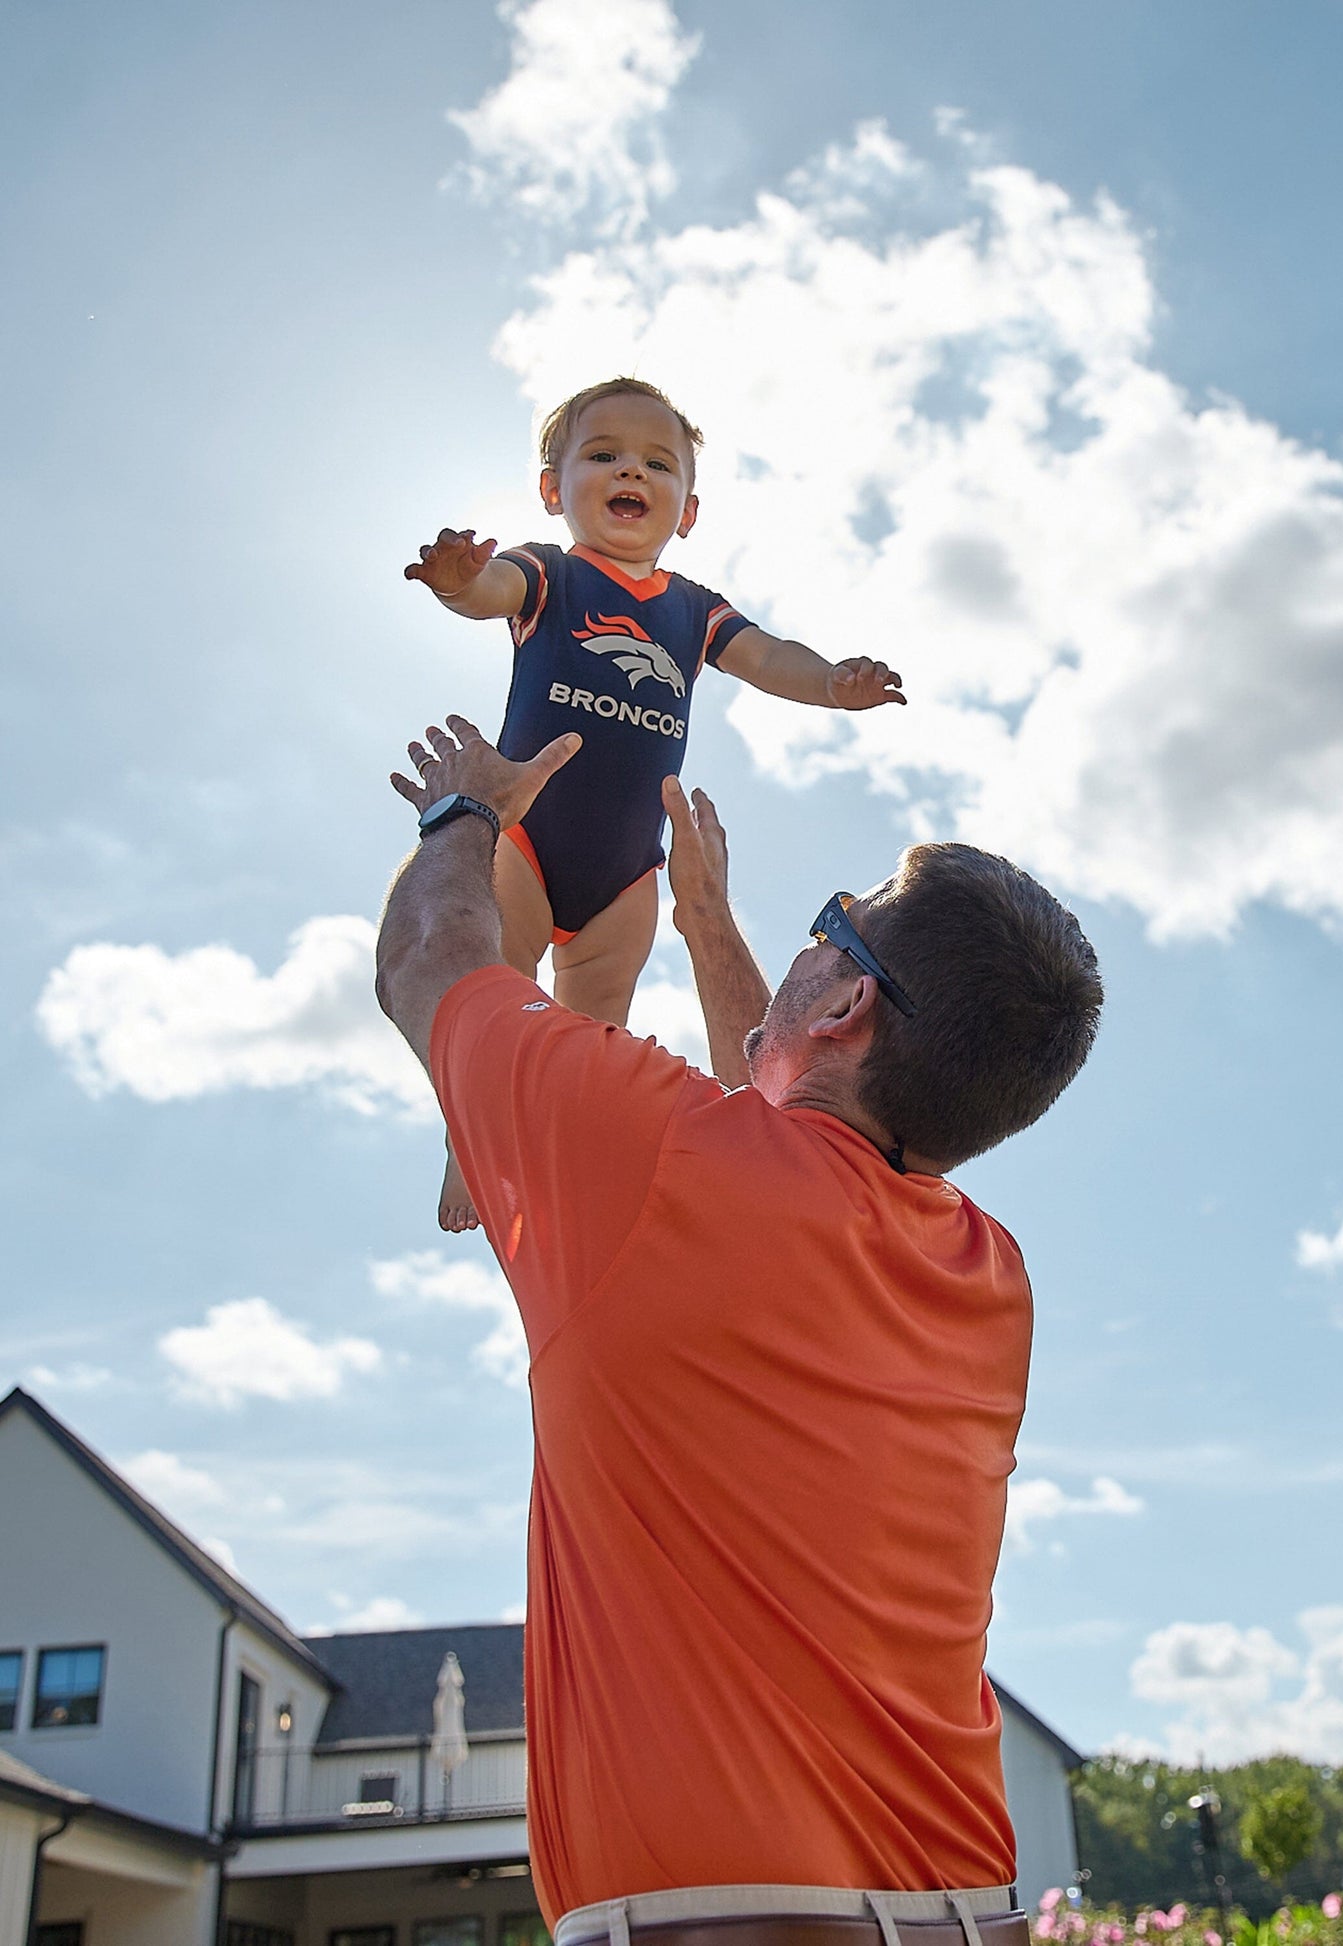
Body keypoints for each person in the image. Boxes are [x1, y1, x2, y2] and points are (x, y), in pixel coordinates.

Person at [375, 713, 1103, 1946]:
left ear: (849, 999)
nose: (805, 947)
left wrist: (466, 810)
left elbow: (429, 962)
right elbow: (774, 1147)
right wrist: (709, 923)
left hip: (716, 1917)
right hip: (968, 1913)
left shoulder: (659, 1158)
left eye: (830, 924)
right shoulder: (988, 1278)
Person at [404, 376, 906, 1231]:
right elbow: (490, 592)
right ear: (551, 488)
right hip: (525, 838)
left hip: (628, 869)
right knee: (495, 984)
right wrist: (459, 582)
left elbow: (769, 656)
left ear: (689, 508)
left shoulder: (693, 611)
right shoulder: (550, 573)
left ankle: (555, 1157)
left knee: (590, 1032)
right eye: (602, 456)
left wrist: (830, 683)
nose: (629, 471)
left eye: (655, 462)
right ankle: (471, 1141)